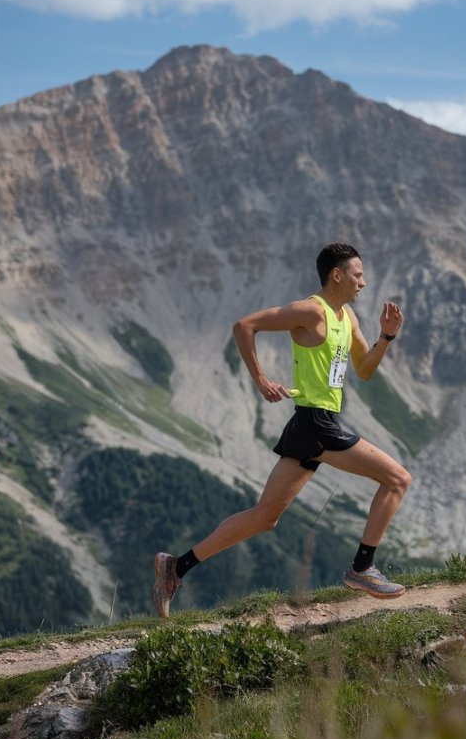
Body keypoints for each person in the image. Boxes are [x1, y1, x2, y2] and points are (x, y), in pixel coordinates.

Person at [152, 242, 411, 617]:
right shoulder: (311, 310)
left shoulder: (348, 318)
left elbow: (365, 370)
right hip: (315, 422)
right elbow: (245, 326)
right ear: (336, 275)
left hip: (314, 424)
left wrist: (385, 338)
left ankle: (175, 567)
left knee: (265, 517)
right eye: (358, 275)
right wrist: (260, 380)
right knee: (397, 479)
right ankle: (362, 568)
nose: (364, 283)